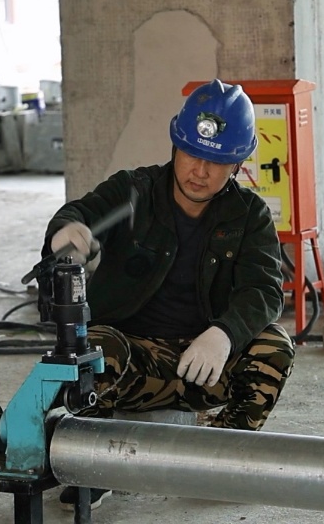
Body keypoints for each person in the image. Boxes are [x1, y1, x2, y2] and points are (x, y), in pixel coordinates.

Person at [42, 79, 295, 511]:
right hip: (132, 361)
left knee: (275, 346)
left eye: (217, 161)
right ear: (176, 146)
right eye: (192, 154)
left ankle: (220, 457)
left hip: (203, 363)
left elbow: (265, 288)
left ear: (236, 164)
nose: (201, 171)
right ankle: (93, 462)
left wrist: (225, 334)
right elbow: (80, 212)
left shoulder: (249, 215)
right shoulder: (133, 191)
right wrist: (66, 232)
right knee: (91, 349)